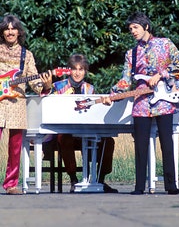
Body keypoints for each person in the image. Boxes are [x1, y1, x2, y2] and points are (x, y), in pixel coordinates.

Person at [103, 11, 179, 195]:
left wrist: (161, 74)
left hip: (164, 101)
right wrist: (112, 94)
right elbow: (125, 80)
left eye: (136, 27)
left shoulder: (165, 44)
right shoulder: (131, 53)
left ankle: (171, 185)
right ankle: (139, 186)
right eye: (130, 28)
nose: (132, 31)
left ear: (146, 27)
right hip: (141, 102)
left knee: (167, 142)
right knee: (140, 145)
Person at [41, 54, 118, 193]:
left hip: (85, 132)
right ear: (69, 70)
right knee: (64, 138)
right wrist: (46, 88)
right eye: (74, 69)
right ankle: (73, 180)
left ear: (85, 71)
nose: (77, 73)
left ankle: (100, 180)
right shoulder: (58, 86)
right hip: (64, 132)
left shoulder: (90, 88)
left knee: (108, 141)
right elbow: (45, 103)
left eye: (81, 69)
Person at [0, 14, 50, 195]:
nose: (10, 32)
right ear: (3, 32)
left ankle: (11, 184)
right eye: (7, 28)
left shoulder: (26, 55)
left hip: (16, 103)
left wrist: (45, 85)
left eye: (13, 28)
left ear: (19, 32)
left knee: (15, 147)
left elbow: (35, 82)